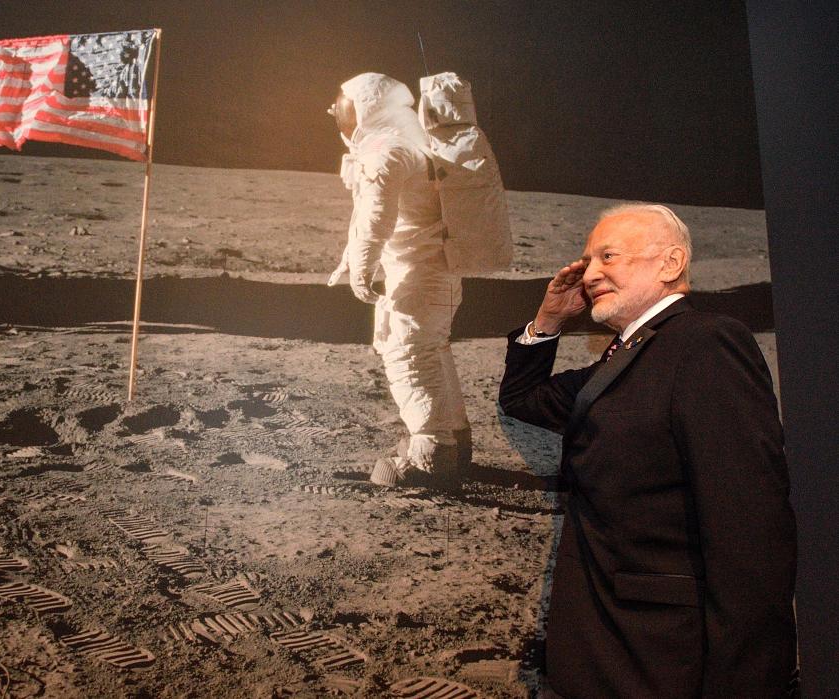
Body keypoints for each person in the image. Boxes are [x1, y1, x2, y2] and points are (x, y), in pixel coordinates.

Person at [499, 204, 797, 697]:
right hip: (611, 650)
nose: (590, 274)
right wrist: (549, 318)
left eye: (608, 256)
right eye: (588, 260)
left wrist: (746, 681)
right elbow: (523, 400)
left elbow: (750, 529)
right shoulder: (623, 361)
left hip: (665, 660)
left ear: (669, 264)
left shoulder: (706, 345)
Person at [326, 72, 470, 486]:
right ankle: (455, 438)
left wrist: (362, 266)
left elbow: (376, 217)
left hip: (417, 275)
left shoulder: (387, 150)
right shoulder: (413, 142)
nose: (334, 110)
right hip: (434, 272)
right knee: (431, 350)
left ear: (367, 109)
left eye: (342, 103)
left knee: (409, 355)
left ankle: (432, 455)